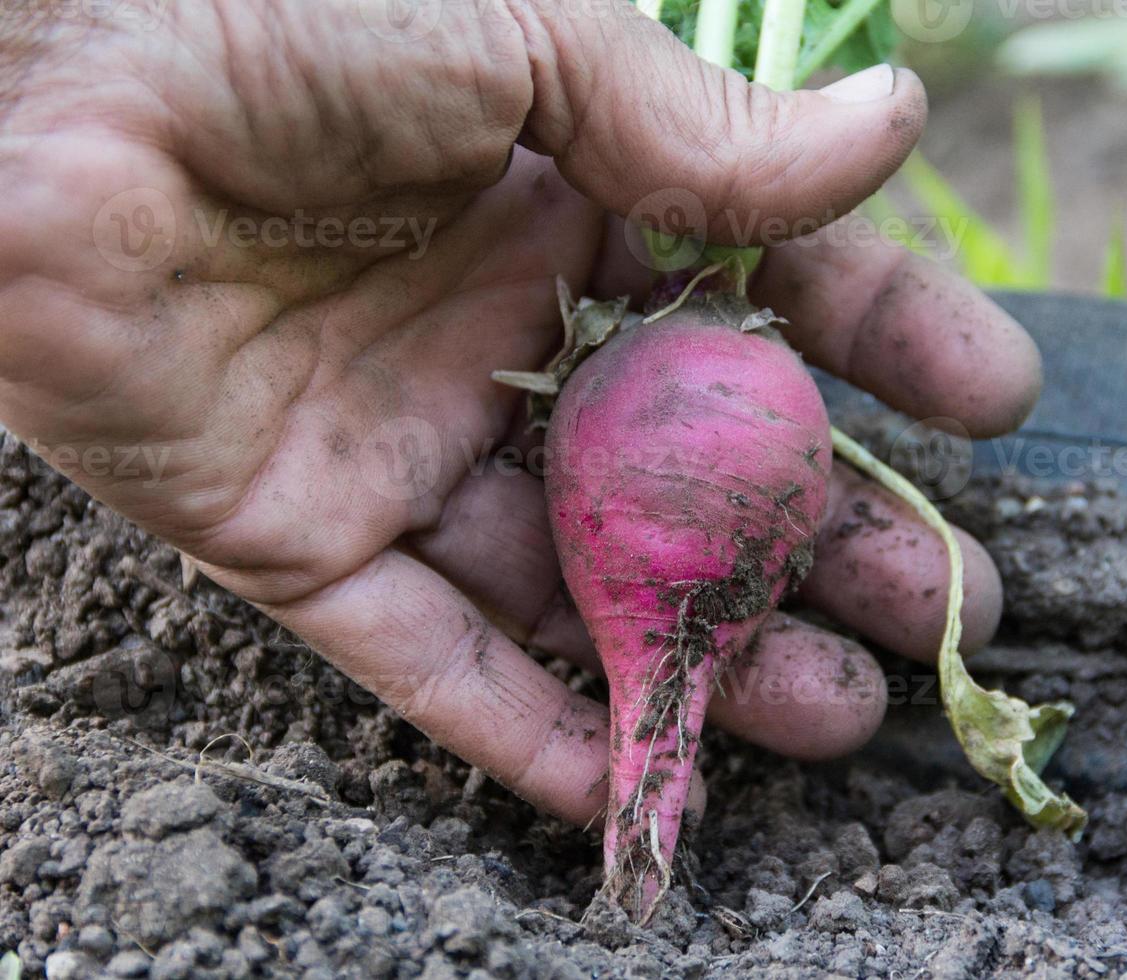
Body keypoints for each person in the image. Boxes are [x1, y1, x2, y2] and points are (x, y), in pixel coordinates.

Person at [0, 0, 1042, 826]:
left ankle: (650, 768)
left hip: (659, 359)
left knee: (674, 674)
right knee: (686, 670)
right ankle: (648, 775)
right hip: (644, 361)